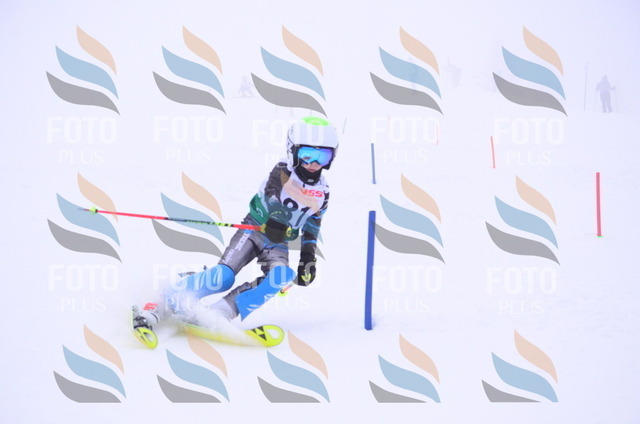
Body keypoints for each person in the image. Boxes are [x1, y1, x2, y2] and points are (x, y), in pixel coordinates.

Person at [132, 117, 338, 346]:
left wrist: (308, 257)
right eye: (307, 155)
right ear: (293, 151)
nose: (314, 163)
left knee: (281, 276)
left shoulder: (323, 191)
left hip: (278, 242)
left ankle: (219, 313)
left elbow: (313, 223)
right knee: (223, 277)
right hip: (255, 229)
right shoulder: (283, 171)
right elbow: (272, 192)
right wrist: (276, 219)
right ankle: (162, 299)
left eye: (323, 156)